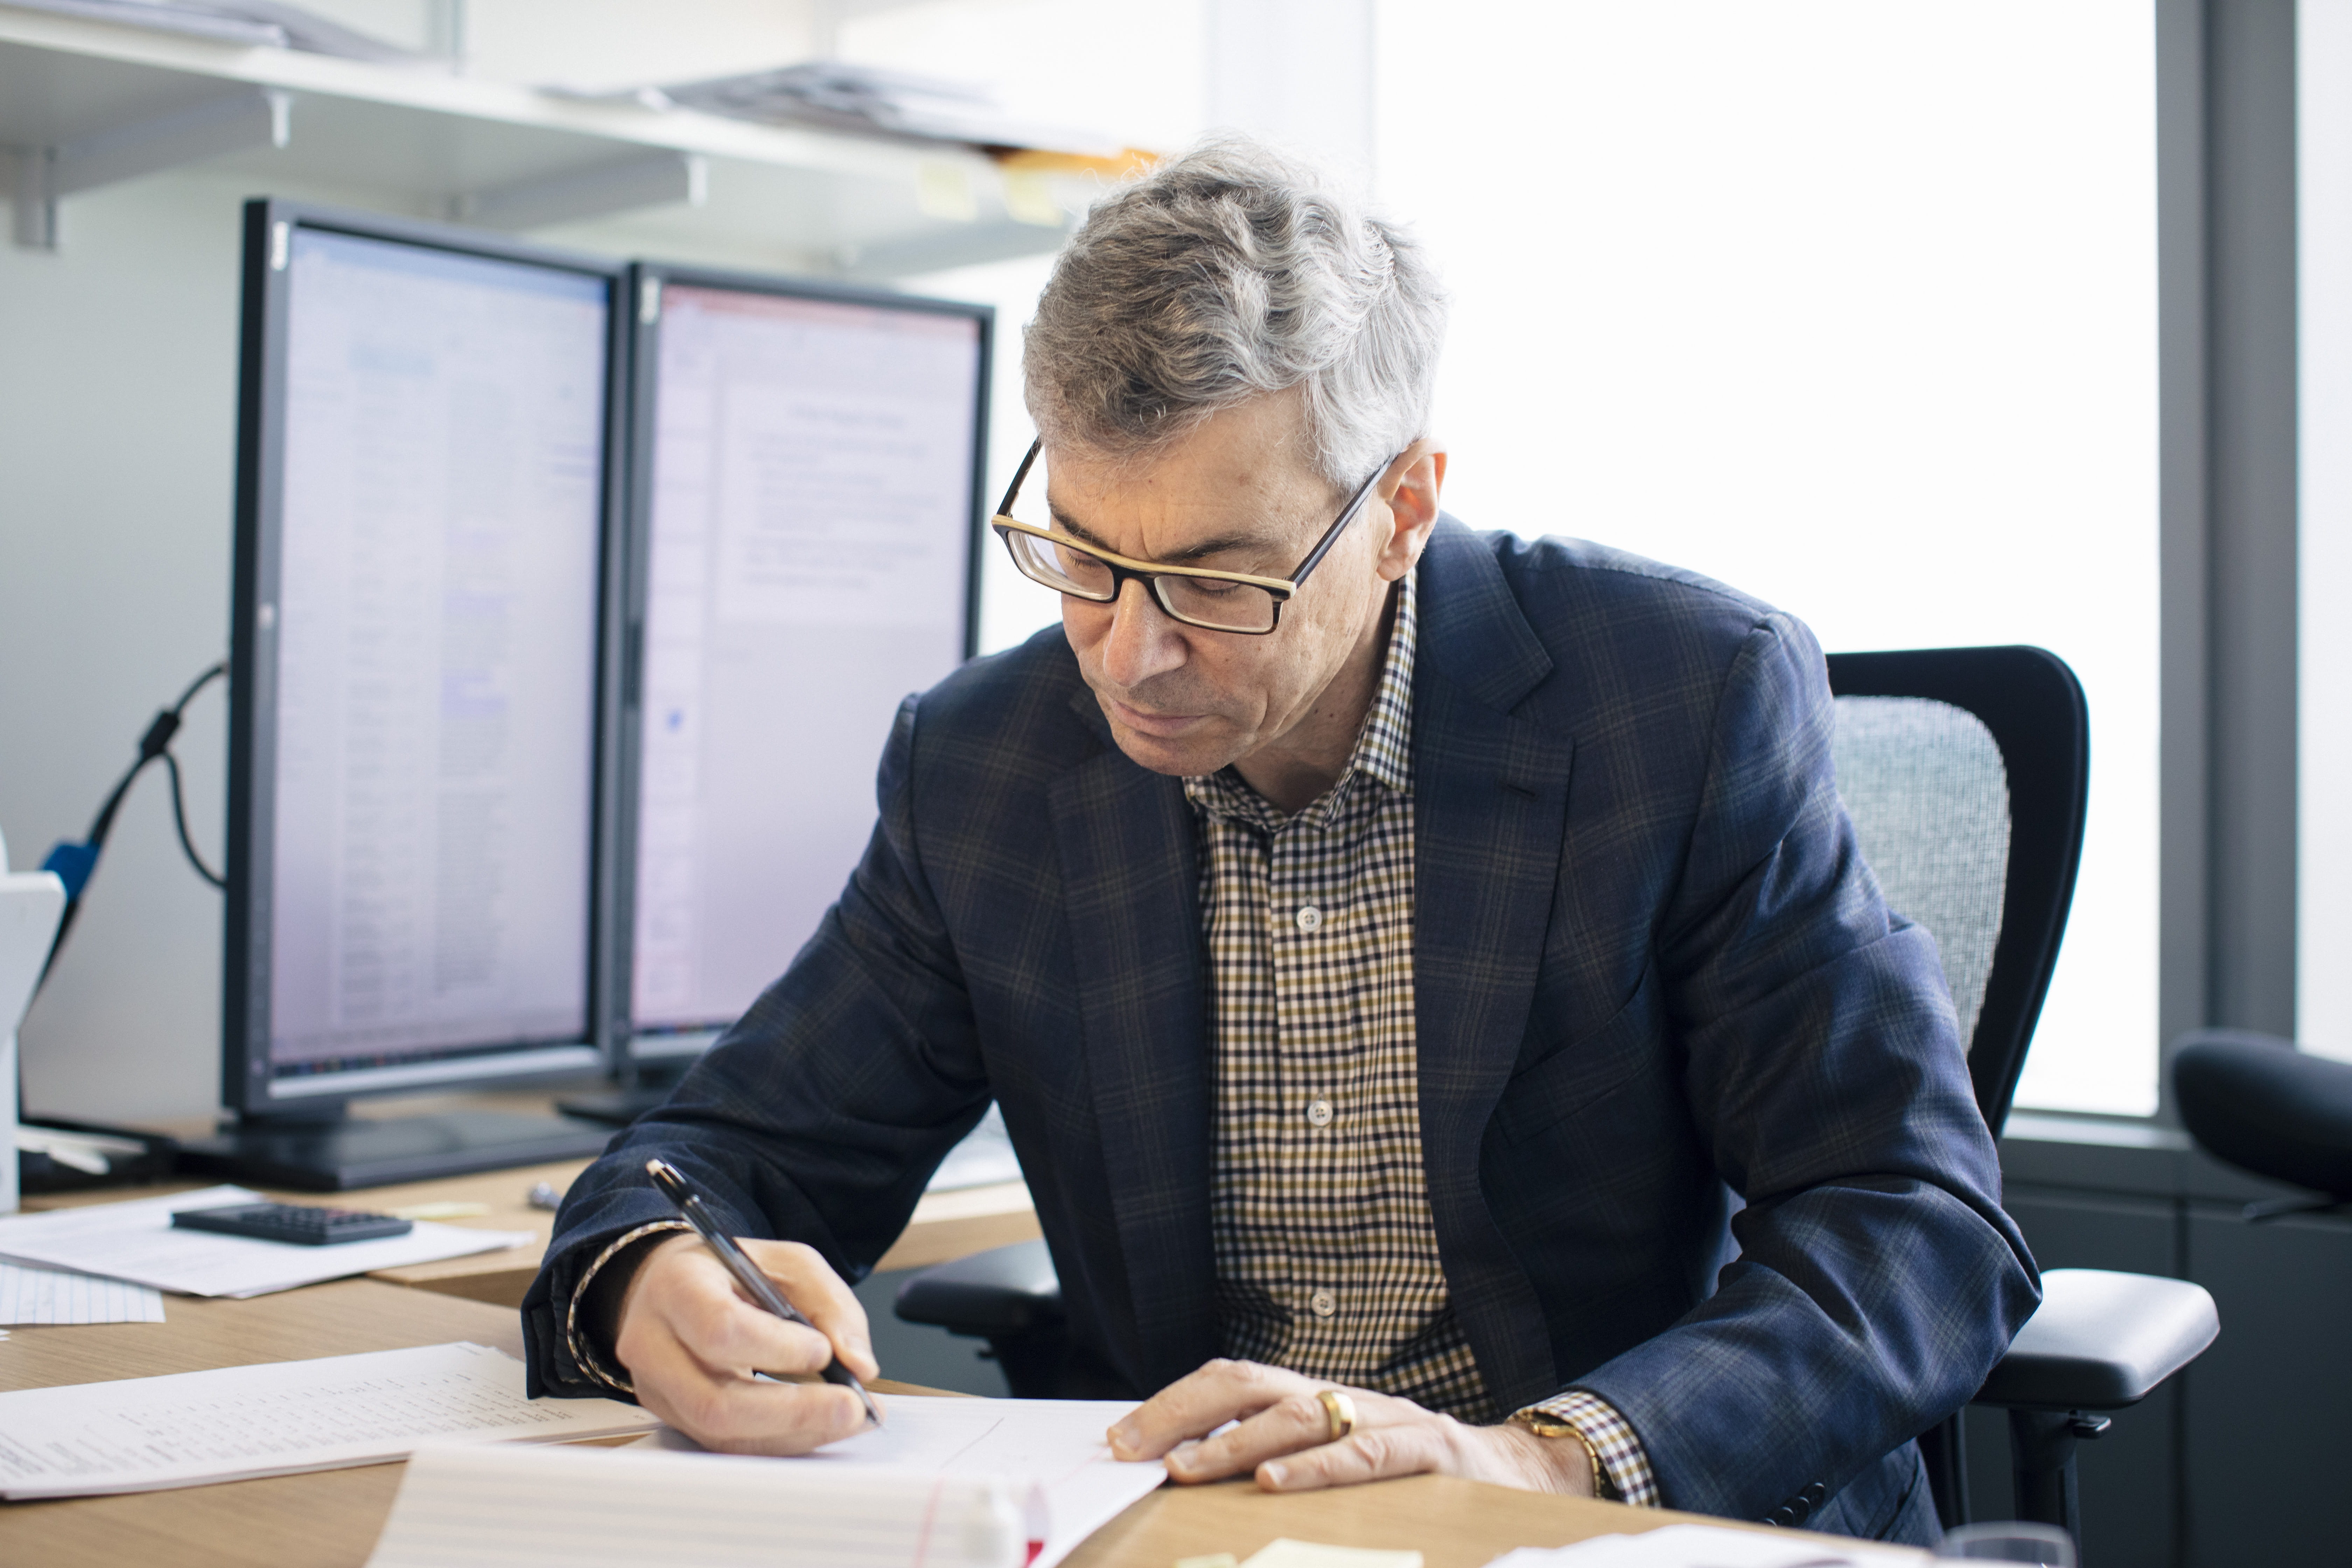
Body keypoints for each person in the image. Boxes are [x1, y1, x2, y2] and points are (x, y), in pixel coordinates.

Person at [522, 135, 2036, 1544]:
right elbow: (720, 1154)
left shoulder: (1681, 702)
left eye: (1215, 576)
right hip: (1201, 1530)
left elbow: (1915, 1224)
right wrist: (653, 1275)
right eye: (1084, 556)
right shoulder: (987, 764)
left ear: (1407, 508)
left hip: (1585, 1523)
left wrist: (1535, 1453)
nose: (1129, 653)